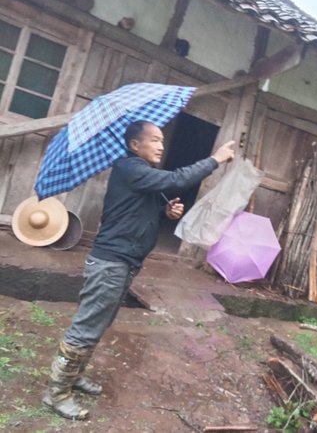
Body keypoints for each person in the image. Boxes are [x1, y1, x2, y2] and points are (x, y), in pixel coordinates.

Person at [42, 120, 235, 420]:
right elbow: (177, 179)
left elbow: (137, 212)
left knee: (99, 323)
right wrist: (215, 160)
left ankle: (74, 376)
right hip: (110, 263)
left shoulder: (139, 175)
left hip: (124, 263)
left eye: (161, 140)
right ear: (135, 145)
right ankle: (56, 393)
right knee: (86, 326)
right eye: (154, 140)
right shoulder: (130, 168)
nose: (160, 145)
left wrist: (164, 212)